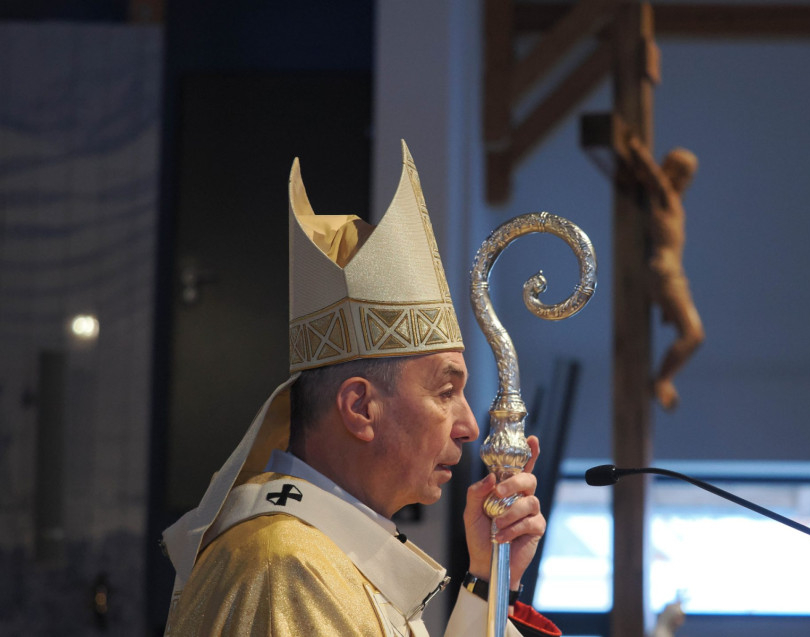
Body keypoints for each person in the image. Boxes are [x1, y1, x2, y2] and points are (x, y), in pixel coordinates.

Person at [161, 141, 561, 636]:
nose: (469, 428)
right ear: (360, 407)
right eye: (445, 392)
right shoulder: (287, 566)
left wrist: (490, 578)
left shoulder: (327, 552)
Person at [628, 135, 705, 411]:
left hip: (673, 273)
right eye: (684, 173)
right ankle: (661, 381)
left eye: (690, 176)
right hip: (664, 271)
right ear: (673, 172)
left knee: (693, 335)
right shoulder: (665, 195)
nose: (688, 181)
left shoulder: (673, 202)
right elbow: (654, 175)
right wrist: (635, 147)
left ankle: (662, 380)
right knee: (693, 335)